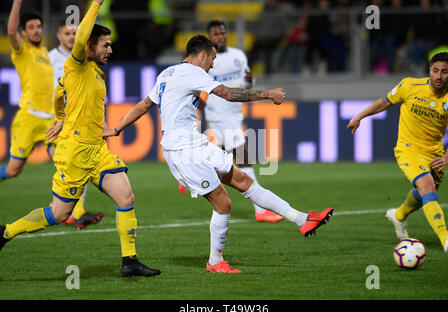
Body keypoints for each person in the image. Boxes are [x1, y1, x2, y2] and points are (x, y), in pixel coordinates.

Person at [104, 34, 334, 273]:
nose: (213, 63)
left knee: (244, 180)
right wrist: (268, 94)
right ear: (202, 55)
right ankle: (215, 261)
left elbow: (144, 104)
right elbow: (227, 94)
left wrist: (118, 128)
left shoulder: (167, 73)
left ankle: (303, 220)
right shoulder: (194, 73)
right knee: (223, 203)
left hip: (196, 143)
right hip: (183, 151)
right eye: (212, 58)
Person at [0, 0, 161, 278]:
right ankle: (6, 232)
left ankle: (130, 261)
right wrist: (96, 3)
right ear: (89, 46)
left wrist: (61, 116)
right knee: (59, 214)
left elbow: (59, 95)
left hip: (97, 150)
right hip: (74, 153)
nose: (110, 49)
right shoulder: (76, 64)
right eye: (105, 45)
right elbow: (79, 46)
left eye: (110, 45)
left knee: (126, 197)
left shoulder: (95, 73)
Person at [347, 52, 448, 253]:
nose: (439, 76)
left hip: (435, 152)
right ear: (429, 70)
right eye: (435, 70)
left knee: (424, 194)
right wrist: (360, 116)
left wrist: (446, 157)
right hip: (408, 149)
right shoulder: (410, 86)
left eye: (444, 72)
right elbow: (384, 102)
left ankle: (399, 215)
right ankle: (445, 239)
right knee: (428, 188)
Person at [197, 20, 284, 223]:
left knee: (219, 161)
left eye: (222, 33)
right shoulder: (208, 60)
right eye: (216, 34)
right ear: (210, 37)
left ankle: (189, 174)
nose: (220, 36)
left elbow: (246, 82)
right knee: (243, 157)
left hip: (235, 114)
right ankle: (261, 209)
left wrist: (249, 80)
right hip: (218, 115)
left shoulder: (238, 56)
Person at [48, 22, 104, 229]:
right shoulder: (49, 59)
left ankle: (72, 212)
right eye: (67, 33)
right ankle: (68, 211)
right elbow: (54, 90)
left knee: (74, 168)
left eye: (74, 33)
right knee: (70, 167)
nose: (72, 37)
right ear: (58, 35)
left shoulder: (84, 59)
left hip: (72, 122)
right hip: (53, 121)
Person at [0, 1, 55, 184]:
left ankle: (73, 212)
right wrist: (17, 3)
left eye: (38, 26)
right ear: (24, 32)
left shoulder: (46, 53)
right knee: (13, 170)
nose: (36, 30)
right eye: (31, 27)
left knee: (67, 163)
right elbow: (10, 32)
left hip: (50, 120)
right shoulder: (22, 51)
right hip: (29, 118)